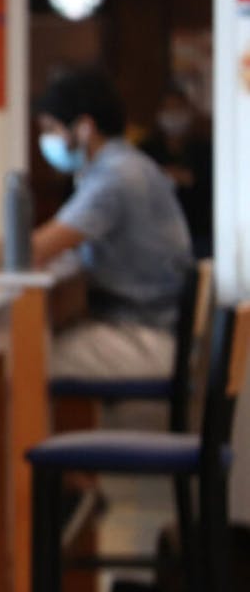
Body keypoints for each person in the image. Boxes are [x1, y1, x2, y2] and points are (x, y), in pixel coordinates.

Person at [31, 69, 193, 381]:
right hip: (155, 326)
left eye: (51, 128)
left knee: (24, 360)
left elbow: (35, 247)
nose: (47, 141)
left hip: (146, 336)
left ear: (84, 128)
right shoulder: (126, 165)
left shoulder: (115, 177)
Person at [139, 87, 213, 258]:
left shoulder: (204, 149)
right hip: (157, 234)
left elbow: (208, 184)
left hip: (198, 232)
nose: (173, 114)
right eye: (168, 108)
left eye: (178, 108)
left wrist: (183, 178)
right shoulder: (147, 150)